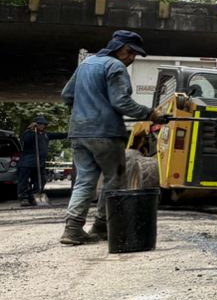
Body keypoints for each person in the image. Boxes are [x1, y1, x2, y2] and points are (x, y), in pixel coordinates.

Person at [59, 30, 155, 245]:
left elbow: (67, 95)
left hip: (79, 132)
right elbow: (121, 102)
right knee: (114, 179)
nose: (132, 57)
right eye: (130, 52)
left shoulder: (86, 64)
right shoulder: (115, 67)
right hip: (106, 133)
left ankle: (72, 229)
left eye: (135, 54)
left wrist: (83, 112)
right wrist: (150, 114)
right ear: (117, 47)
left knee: (84, 180)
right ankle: (102, 226)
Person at [17, 116, 63, 207]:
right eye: (40, 124)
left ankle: (34, 196)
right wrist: (33, 131)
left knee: (41, 180)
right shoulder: (28, 133)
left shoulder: (45, 134)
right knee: (24, 181)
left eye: (44, 124)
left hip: (40, 163)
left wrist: (70, 134)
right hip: (27, 163)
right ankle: (24, 198)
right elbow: (27, 140)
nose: (43, 126)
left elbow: (57, 135)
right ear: (35, 124)